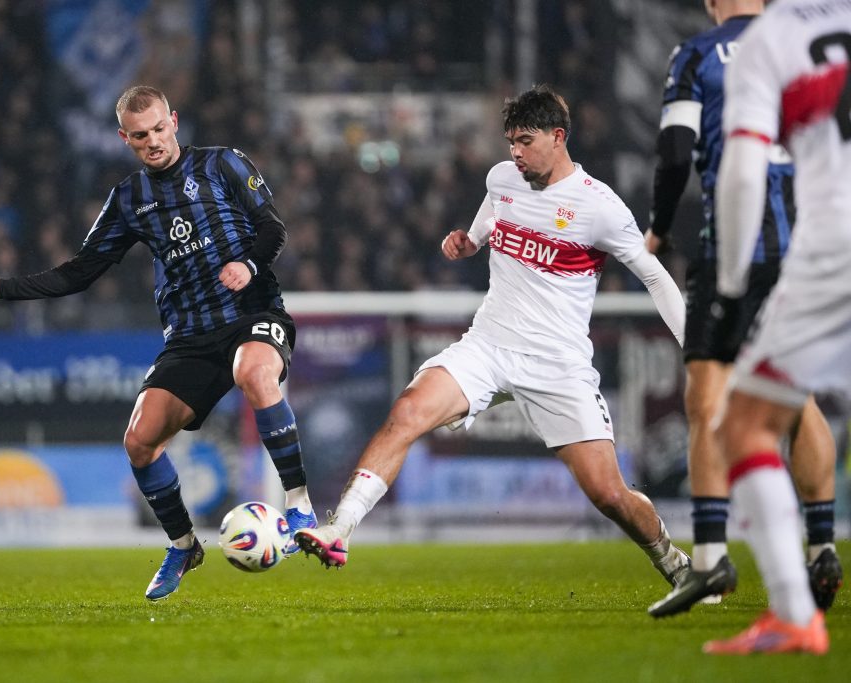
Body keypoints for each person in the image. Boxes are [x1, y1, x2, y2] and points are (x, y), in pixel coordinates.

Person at [296, 84, 693, 590]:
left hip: (557, 364)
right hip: (488, 345)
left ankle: (673, 561)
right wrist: (468, 242)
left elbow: (656, 277)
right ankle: (341, 529)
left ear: (558, 136)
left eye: (526, 141)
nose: (516, 152)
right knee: (407, 413)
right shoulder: (503, 178)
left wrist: (695, 349)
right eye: (511, 142)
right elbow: (486, 223)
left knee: (609, 495)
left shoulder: (600, 207)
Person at [0, 85, 317, 601]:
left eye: (158, 129)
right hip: (190, 336)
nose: (152, 141)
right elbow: (80, 272)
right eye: (139, 135)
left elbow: (273, 229)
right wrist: (4, 288)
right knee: (139, 441)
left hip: (254, 313)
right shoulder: (129, 199)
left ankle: (299, 504)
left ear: (174, 121)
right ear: (124, 138)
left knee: (254, 372)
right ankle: (183, 545)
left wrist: (247, 263)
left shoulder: (223, 163)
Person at [644, 0, 841, 618]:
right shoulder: (813, 44)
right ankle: (822, 547)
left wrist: (659, 227)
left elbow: (677, 151)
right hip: (811, 244)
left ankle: (709, 559)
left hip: (736, 242)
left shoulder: (700, 55)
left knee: (707, 400)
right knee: (795, 399)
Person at [700, 0, 851, 655]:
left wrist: (731, 289)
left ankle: (795, 613)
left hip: (834, 246)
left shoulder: (769, 42)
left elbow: (742, 172)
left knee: (744, 424)